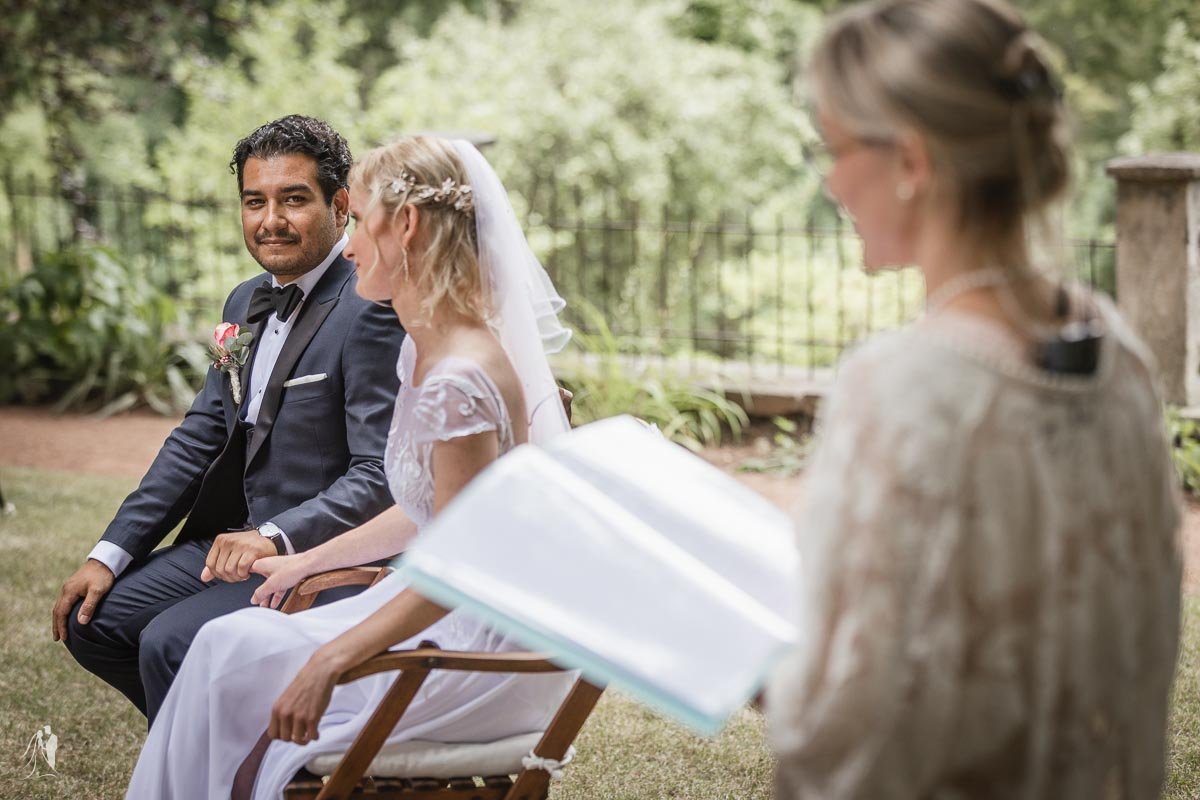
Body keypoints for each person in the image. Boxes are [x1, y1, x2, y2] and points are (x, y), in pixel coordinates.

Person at [766, 0, 1182, 797]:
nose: (828, 178)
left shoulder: (900, 389)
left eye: (835, 146)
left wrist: (770, 674)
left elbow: (845, 734)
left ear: (912, 163)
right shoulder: (1119, 351)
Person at [124, 136, 576, 799]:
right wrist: (308, 562)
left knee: (228, 655)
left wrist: (333, 660)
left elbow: (459, 571)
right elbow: (425, 512)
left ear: (409, 225)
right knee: (225, 648)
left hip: (461, 646)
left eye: (359, 219)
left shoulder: (461, 376)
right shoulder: (424, 351)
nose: (353, 243)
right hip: (429, 605)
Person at [52, 115, 406, 722]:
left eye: (294, 199)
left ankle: (220, 771)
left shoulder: (370, 307)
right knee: (95, 624)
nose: (271, 220)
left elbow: (379, 473)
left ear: (341, 203)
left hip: (322, 554)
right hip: (227, 542)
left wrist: (272, 536)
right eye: (254, 201)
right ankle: (229, 749)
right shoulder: (245, 300)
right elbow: (199, 437)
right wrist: (108, 553)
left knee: (170, 642)